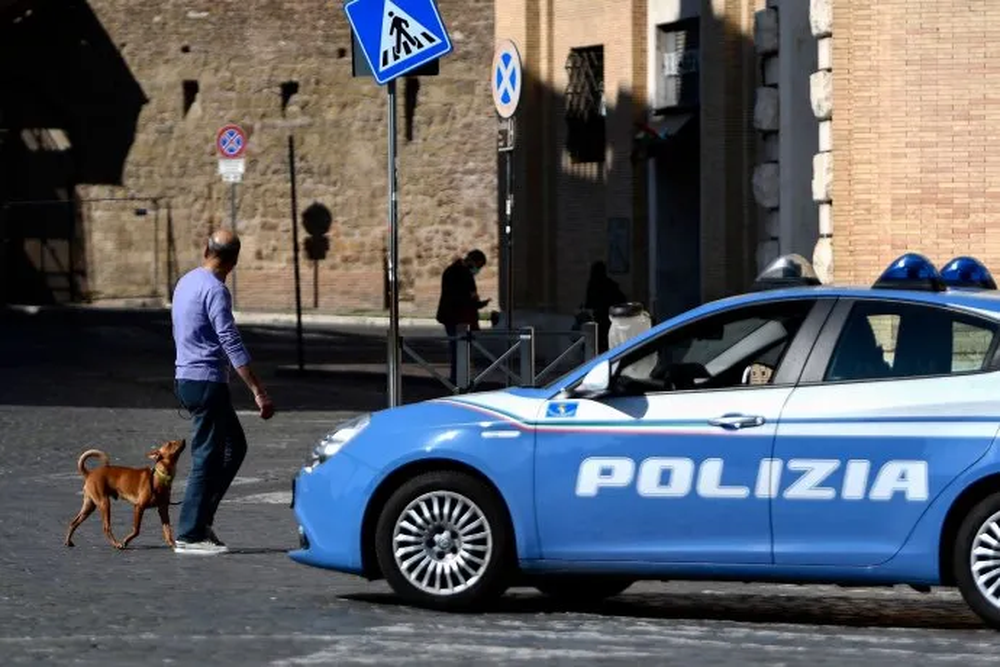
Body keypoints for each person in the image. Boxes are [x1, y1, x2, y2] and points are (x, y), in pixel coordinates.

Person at [170, 229, 274, 555]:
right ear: (234, 261)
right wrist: (258, 390)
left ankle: (202, 520)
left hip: (186, 378)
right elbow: (230, 341)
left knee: (234, 446)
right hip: (206, 382)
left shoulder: (186, 281)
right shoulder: (216, 291)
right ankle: (189, 534)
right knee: (206, 456)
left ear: (206, 250)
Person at [435, 249, 490, 386]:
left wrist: (477, 303)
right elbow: (463, 296)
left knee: (459, 349)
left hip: (454, 316)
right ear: (474, 261)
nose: (478, 270)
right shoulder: (460, 273)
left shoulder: (453, 271)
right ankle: (459, 380)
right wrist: (476, 303)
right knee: (460, 348)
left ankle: (459, 378)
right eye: (480, 266)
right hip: (458, 317)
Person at [583, 260, 627, 353]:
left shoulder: (593, 284)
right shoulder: (610, 284)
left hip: (599, 319)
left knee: (599, 345)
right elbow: (621, 299)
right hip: (609, 319)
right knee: (607, 343)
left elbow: (589, 303)